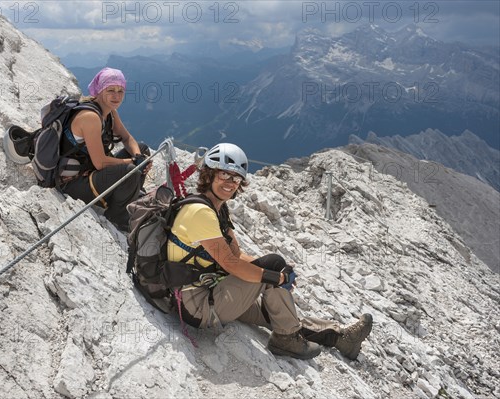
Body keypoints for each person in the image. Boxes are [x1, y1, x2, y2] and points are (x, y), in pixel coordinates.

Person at [167, 143, 373, 360]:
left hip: (212, 291)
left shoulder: (219, 210)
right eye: (224, 174)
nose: (230, 183)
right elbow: (230, 263)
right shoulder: (200, 212)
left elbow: (237, 255)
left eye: (235, 178)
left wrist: (273, 272)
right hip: (198, 305)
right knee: (274, 266)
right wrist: (274, 274)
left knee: (278, 314)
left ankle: (339, 337)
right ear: (209, 174)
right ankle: (286, 340)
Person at [60, 67, 151, 231]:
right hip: (73, 183)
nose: (117, 96)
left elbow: (127, 138)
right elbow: (100, 163)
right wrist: (134, 162)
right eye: (111, 90)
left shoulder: (109, 112)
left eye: (120, 91)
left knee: (142, 149)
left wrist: (138, 156)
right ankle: (118, 215)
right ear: (100, 90)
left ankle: (130, 195)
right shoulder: (90, 117)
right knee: (131, 170)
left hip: (90, 173)